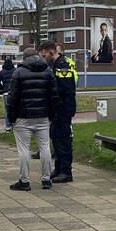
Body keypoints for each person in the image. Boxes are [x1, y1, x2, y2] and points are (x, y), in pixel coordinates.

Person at [6, 46, 57, 191]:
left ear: (24, 58)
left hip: (23, 117)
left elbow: (12, 98)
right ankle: (46, 179)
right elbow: (54, 96)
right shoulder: (48, 71)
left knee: (23, 150)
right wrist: (51, 115)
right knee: (45, 147)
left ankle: (24, 181)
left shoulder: (19, 72)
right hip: (43, 117)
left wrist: (11, 118)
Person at [40, 41, 77, 182]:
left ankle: (66, 172)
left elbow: (66, 88)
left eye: (44, 55)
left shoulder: (62, 65)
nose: (44, 58)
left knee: (63, 139)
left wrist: (50, 91)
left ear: (50, 52)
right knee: (55, 137)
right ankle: (59, 168)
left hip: (64, 107)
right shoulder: (55, 64)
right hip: (57, 108)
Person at [0, 57, 16, 131]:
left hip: (6, 93)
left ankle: (8, 127)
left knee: (7, 110)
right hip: (14, 92)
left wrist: (2, 88)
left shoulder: (2, 72)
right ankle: (15, 126)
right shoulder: (15, 71)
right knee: (16, 108)